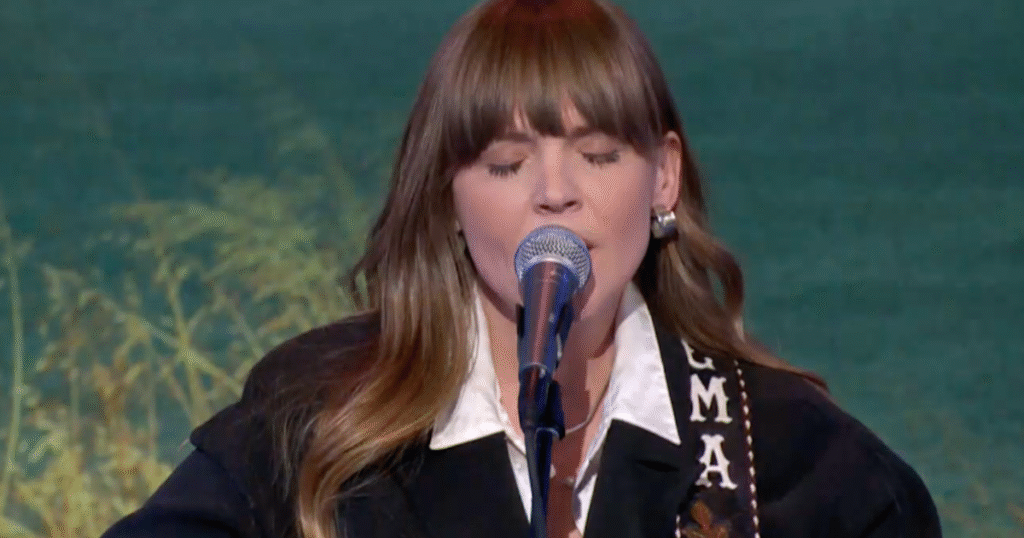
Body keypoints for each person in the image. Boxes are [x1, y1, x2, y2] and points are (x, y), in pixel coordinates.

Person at [101, 0, 942, 537]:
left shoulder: (797, 460)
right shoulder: (317, 422)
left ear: (663, 178)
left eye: (599, 154)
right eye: (506, 164)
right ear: (448, 196)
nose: (554, 193)